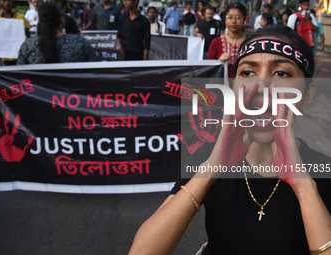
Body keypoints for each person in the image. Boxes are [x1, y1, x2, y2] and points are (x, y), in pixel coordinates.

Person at [128, 24, 331, 255]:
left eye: (281, 73)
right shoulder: (209, 157)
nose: (261, 87)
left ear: (307, 95)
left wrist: (304, 186)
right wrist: (210, 172)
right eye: (247, 73)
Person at [17, 2, 98, 64]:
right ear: (62, 20)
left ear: (40, 22)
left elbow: (18, 76)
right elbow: (94, 69)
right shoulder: (80, 43)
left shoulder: (28, 46)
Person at [207, 2, 247, 78]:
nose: (233, 21)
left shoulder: (252, 42)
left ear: (244, 20)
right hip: (222, 87)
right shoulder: (216, 42)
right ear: (225, 20)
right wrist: (219, 63)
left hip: (246, 87)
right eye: (230, 17)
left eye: (238, 17)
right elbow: (208, 70)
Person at [0, 0, 30, 65]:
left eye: (9, 0)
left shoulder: (21, 17)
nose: (7, 3)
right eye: (4, 1)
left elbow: (27, 35)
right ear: (0, 2)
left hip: (18, 56)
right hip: (1, 57)